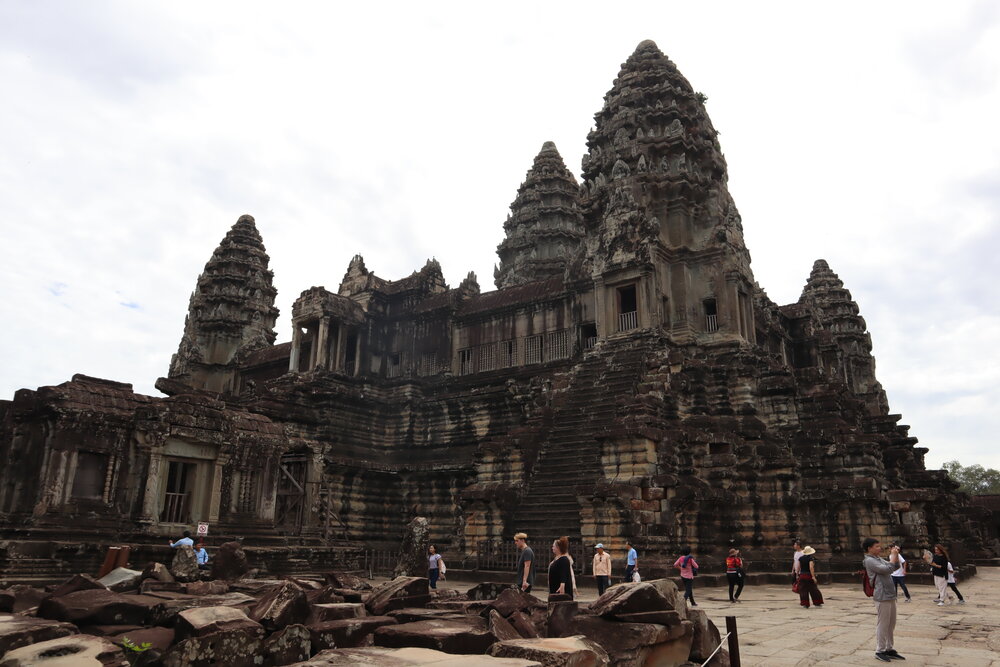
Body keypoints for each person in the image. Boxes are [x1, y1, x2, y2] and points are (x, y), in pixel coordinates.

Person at [863, 537, 905, 662]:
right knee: (883, 624)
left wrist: (896, 555)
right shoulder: (869, 560)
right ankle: (879, 650)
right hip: (881, 595)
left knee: (891, 623)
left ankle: (889, 648)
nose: (879, 548)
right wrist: (892, 555)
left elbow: (895, 566)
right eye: (876, 546)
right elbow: (886, 569)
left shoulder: (878, 559)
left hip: (890, 594)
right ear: (869, 548)